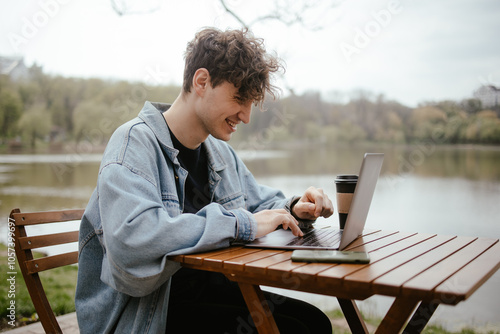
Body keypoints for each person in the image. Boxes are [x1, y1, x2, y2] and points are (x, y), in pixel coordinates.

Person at [75, 27, 334, 333]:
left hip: (208, 296)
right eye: (240, 98)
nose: (247, 117)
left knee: (314, 322)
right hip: (149, 316)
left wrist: (294, 209)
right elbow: (135, 240)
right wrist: (242, 224)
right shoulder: (133, 143)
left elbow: (261, 204)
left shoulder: (220, 153)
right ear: (201, 82)